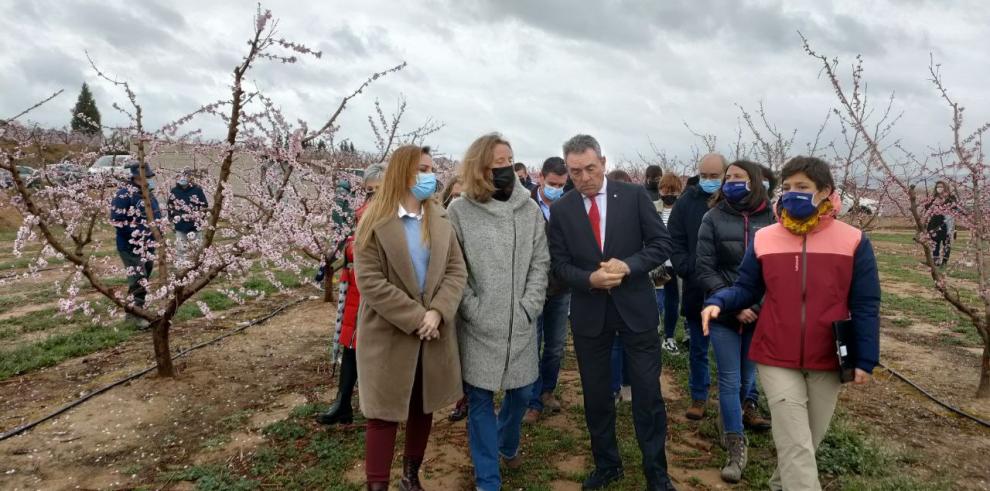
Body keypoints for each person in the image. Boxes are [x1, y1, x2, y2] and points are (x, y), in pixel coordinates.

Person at [701, 156, 880, 491]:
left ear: (825, 191)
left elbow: (866, 304)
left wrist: (866, 357)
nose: (792, 193)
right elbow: (746, 288)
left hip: (827, 355)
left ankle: (780, 484)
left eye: (803, 187)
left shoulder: (853, 241)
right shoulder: (766, 237)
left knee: (807, 439)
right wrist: (718, 302)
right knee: (796, 442)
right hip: (774, 352)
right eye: (788, 187)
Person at [548, 134, 676, 491]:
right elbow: (558, 265)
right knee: (596, 394)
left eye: (590, 168)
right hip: (591, 314)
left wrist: (629, 265)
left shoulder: (634, 197)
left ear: (602, 162)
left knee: (648, 394)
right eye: (575, 172)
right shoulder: (562, 210)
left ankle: (656, 472)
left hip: (636, 309)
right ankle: (607, 464)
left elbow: (661, 244)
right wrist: (589, 278)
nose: (584, 177)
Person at [352, 145, 468, 491]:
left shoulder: (440, 218)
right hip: (389, 332)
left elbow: (456, 270)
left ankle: (410, 476)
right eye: (423, 168)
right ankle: (377, 485)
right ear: (403, 172)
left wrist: (437, 312)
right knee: (383, 414)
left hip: (433, 330)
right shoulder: (375, 220)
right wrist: (418, 316)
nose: (430, 175)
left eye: (432, 168)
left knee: (423, 406)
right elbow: (370, 281)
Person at [447, 133, 549, 491]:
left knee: (522, 394)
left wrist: (529, 307)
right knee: (479, 400)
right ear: (480, 167)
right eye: (498, 162)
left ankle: (507, 442)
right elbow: (453, 268)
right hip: (478, 325)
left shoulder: (530, 209)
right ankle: (487, 479)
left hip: (520, 323)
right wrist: (473, 310)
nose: (506, 168)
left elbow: (541, 261)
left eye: (510, 160)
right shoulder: (459, 211)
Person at [695, 160, 774, 483]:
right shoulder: (712, 218)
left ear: (754, 181)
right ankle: (735, 445)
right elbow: (704, 267)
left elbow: (777, 271)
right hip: (723, 313)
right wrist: (733, 303)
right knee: (729, 379)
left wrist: (754, 304)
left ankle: (736, 416)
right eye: (728, 177)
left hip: (760, 314)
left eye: (738, 178)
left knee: (746, 378)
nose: (730, 182)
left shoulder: (773, 220)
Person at [317, 163, 385, 426]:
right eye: (369, 189)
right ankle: (343, 402)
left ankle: (371, 405)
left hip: (372, 286)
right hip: (356, 285)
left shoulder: (387, 210)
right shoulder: (363, 209)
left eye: (376, 188)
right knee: (351, 344)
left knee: (368, 347)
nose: (372, 193)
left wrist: (352, 251)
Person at [667, 153, 726, 420]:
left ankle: (740, 401)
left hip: (730, 289)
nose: (708, 181)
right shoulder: (686, 203)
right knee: (699, 347)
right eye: (704, 176)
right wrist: (686, 267)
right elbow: (674, 239)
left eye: (715, 176)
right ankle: (699, 397)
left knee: (732, 350)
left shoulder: (734, 201)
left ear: (725, 174)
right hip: (695, 287)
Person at [524, 156, 571, 423]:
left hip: (560, 286)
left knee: (555, 346)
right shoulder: (525, 205)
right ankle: (531, 400)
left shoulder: (569, 205)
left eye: (561, 184)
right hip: (532, 287)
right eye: (552, 183)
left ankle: (547, 391)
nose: (556, 188)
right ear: (541, 177)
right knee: (532, 344)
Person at [110, 161, 162, 329]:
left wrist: (158, 233)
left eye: (149, 177)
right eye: (146, 177)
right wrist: (137, 235)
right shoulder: (124, 195)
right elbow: (117, 220)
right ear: (135, 177)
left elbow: (156, 215)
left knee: (144, 277)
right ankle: (135, 316)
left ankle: (137, 310)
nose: (148, 180)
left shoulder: (149, 194)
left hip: (149, 244)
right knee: (138, 278)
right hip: (130, 246)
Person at [655, 173, 682, 354]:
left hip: (675, 263)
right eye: (665, 189)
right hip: (656, 263)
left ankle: (669, 336)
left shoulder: (682, 209)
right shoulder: (652, 208)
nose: (669, 194)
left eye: (673, 190)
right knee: (655, 301)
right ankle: (652, 332)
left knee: (673, 302)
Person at [167, 168, 208, 263]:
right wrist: (172, 220)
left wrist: (200, 217)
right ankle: (181, 265)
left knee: (197, 248)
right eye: (181, 176)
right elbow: (170, 206)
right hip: (180, 224)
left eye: (186, 176)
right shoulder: (174, 191)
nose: (183, 179)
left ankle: (198, 264)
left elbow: (204, 205)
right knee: (181, 248)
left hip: (195, 224)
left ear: (190, 178)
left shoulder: (197, 190)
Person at [925, 180, 957, 266]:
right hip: (935, 222)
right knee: (935, 242)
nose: (939, 188)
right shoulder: (933, 197)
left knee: (947, 242)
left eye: (941, 186)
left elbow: (955, 208)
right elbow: (927, 207)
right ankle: (936, 260)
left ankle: (944, 261)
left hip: (947, 222)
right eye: (938, 187)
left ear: (945, 187)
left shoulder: (951, 197)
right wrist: (931, 202)